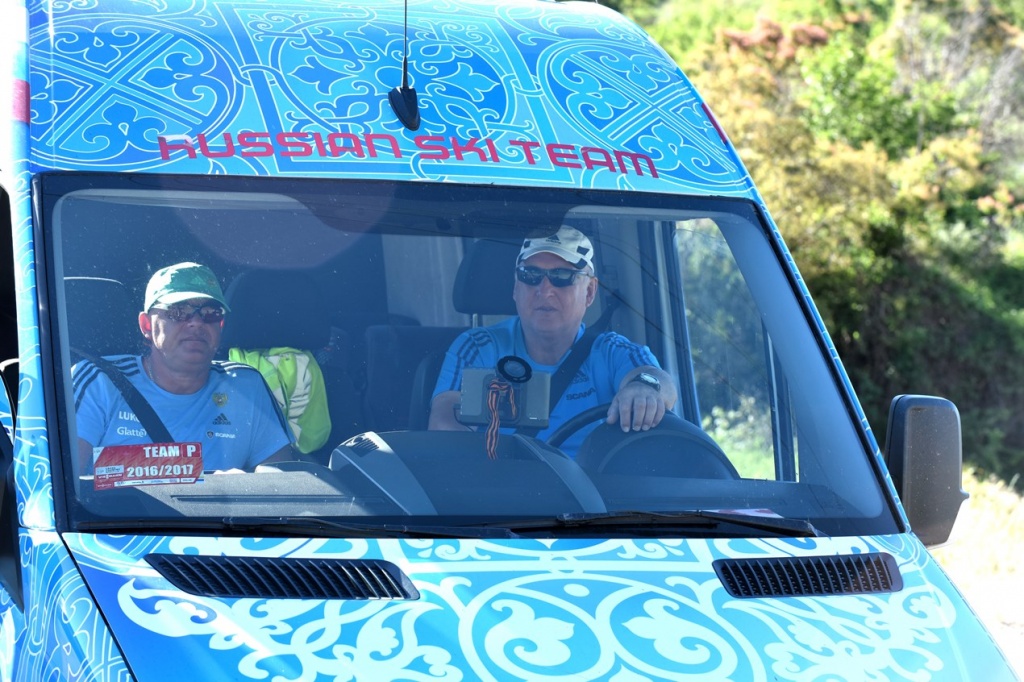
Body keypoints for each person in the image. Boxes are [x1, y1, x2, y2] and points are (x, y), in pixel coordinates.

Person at [429, 226, 677, 456]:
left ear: (589, 292)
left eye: (562, 276)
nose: (544, 290)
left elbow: (659, 380)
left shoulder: (612, 352)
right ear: (516, 287)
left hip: (596, 500)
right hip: (501, 495)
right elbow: (444, 424)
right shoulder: (478, 347)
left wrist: (644, 389)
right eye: (531, 275)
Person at [72, 262, 295, 472]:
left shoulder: (247, 387)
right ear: (146, 325)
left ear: (220, 325)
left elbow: (284, 489)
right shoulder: (99, 381)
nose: (196, 322)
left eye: (210, 313)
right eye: (178, 311)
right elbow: (60, 487)